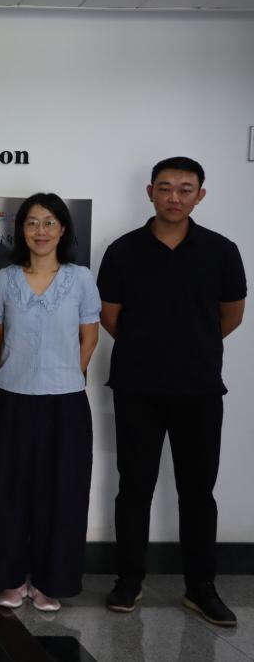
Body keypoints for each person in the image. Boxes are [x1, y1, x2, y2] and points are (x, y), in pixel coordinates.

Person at [98, 157, 245, 627]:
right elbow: (110, 315)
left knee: (198, 492)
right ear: (150, 192)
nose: (174, 197)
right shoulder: (123, 250)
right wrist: (149, 349)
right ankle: (128, 581)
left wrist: (191, 346)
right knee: (133, 488)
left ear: (200, 195)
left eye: (185, 189)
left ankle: (201, 588)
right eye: (165, 188)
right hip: (137, 387)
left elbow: (232, 314)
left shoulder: (221, 250)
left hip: (199, 389)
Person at [0, 193, 100, 613]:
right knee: (6, 493)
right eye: (31, 222)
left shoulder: (80, 279)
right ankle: (10, 579)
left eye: (49, 222)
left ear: (63, 229)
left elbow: (89, 338)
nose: (40, 231)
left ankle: (50, 582)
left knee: (61, 495)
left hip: (65, 404)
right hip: (10, 401)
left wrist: (65, 375)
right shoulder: (5, 279)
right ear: (21, 230)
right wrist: (19, 371)